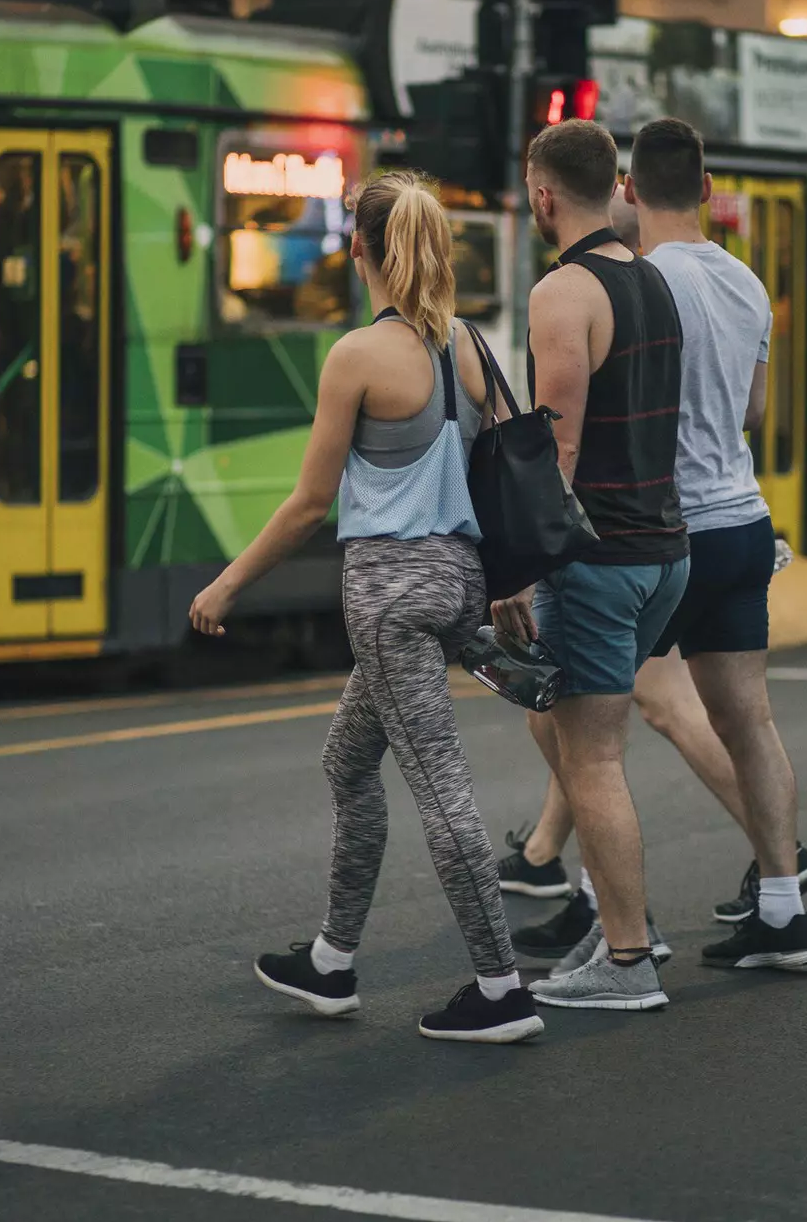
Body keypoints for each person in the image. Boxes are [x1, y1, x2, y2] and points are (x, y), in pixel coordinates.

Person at [188, 171, 543, 1043]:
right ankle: (332, 961)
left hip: (389, 598)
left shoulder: (356, 356)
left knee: (440, 788)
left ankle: (501, 989)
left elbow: (311, 503)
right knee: (347, 764)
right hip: (459, 579)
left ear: (360, 253)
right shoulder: (468, 345)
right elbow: (507, 470)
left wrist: (228, 583)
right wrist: (511, 585)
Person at [501, 153, 807, 967]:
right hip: (744, 518)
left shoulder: (638, 281)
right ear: (710, 190)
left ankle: (615, 922)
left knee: (580, 719)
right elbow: (752, 408)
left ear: (631, 191)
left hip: (660, 527)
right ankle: (782, 901)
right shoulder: (748, 284)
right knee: (744, 717)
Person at [491, 119, 689, 1012]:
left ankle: (628, 957)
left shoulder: (563, 292)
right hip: (662, 551)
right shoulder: (653, 282)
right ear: (614, 184)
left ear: (543, 194)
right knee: (564, 731)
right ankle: (616, 913)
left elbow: (554, 450)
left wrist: (517, 570)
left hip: (598, 557)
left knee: (595, 757)